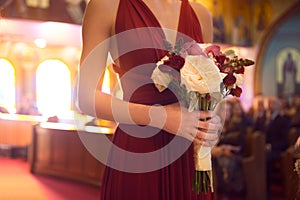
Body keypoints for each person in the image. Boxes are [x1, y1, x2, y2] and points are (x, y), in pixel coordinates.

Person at [77, 0, 222, 200]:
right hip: (139, 151)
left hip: (190, 157)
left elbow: (207, 88)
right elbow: (86, 97)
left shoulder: (201, 15)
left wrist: (211, 122)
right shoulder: (108, 5)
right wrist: (160, 116)